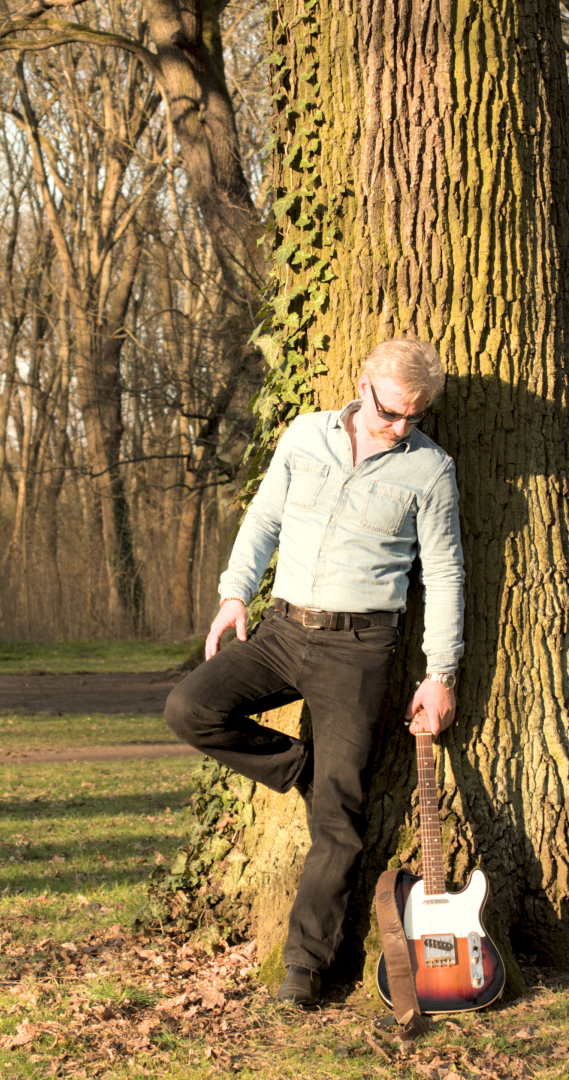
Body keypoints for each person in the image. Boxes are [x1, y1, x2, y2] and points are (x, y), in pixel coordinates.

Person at [165, 338, 464, 1006]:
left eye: (413, 417)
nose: (400, 427)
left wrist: (439, 672)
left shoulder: (430, 470)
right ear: (363, 387)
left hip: (359, 648)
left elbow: (445, 575)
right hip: (280, 630)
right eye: (391, 412)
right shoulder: (305, 435)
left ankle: (305, 964)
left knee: (338, 816)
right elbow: (264, 519)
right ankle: (303, 769)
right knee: (189, 708)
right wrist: (234, 595)